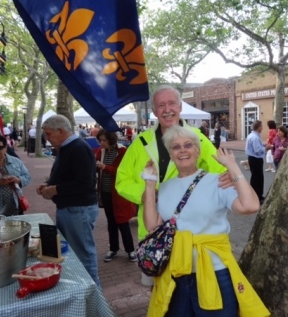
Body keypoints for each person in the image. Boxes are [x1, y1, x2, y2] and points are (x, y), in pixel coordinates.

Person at [142, 126, 269, 317]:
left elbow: (250, 206)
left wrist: (232, 167)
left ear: (198, 150)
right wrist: (150, 185)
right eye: (176, 147)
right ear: (170, 153)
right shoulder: (166, 187)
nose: (182, 150)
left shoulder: (218, 181)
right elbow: (153, 226)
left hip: (215, 273)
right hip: (175, 274)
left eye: (188, 145)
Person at [116, 85, 229, 286]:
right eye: (161, 105)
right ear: (155, 111)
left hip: (190, 233)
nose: (167, 109)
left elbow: (220, 173)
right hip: (152, 232)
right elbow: (122, 179)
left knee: (188, 289)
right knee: (156, 289)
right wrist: (144, 194)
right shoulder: (140, 142)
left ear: (180, 106)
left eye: (171, 103)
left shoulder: (197, 138)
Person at [36, 115, 100, 286]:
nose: (47, 139)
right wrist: (49, 184)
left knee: (84, 257)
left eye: (48, 134)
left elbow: (85, 183)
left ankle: (95, 302)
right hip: (72, 209)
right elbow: (68, 175)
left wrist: (55, 189)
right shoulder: (68, 147)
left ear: (61, 131)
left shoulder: (78, 148)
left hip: (78, 209)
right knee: (77, 254)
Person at [95, 129, 137, 262]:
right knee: (111, 222)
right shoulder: (100, 152)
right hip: (106, 192)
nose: (101, 143)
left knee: (122, 221)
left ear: (111, 139)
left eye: (104, 140)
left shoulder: (122, 151)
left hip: (119, 193)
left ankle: (130, 250)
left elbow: (122, 171)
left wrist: (104, 167)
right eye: (100, 140)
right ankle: (113, 249)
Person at [245, 120, 267, 203]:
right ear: (259, 127)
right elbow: (257, 150)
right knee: (257, 178)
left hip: (252, 158)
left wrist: (262, 145)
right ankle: (257, 197)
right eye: (261, 126)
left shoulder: (252, 135)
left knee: (256, 178)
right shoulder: (255, 137)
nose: (262, 128)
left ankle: (257, 196)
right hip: (256, 159)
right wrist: (266, 148)